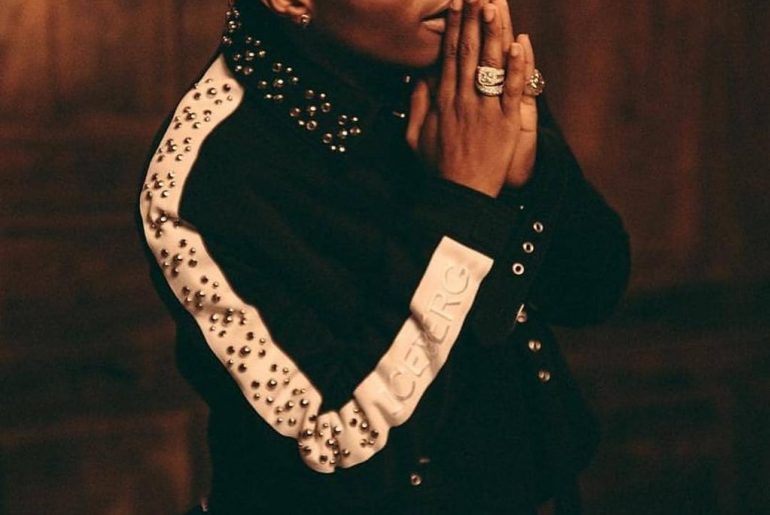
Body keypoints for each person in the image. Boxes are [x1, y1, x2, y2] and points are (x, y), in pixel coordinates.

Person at [136, 0, 630, 512]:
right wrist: (463, 206)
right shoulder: (196, 184)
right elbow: (334, 454)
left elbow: (593, 293)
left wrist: (527, 174)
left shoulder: (462, 57)